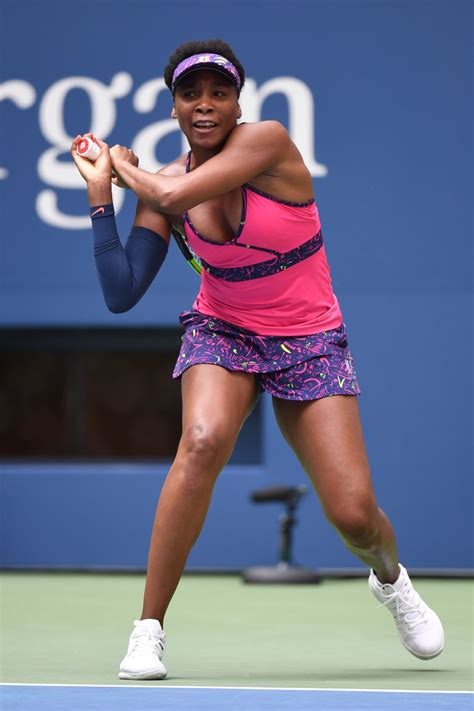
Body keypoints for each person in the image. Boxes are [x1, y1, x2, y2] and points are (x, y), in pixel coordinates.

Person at [71, 39, 444, 681]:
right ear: (175, 108)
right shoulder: (161, 182)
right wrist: (101, 197)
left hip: (309, 337)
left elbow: (174, 191)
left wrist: (118, 167)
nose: (206, 106)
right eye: (192, 95)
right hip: (225, 330)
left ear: (239, 103)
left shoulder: (266, 142)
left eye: (220, 93)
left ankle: (391, 582)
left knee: (354, 514)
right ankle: (148, 630)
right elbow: (121, 291)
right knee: (201, 440)